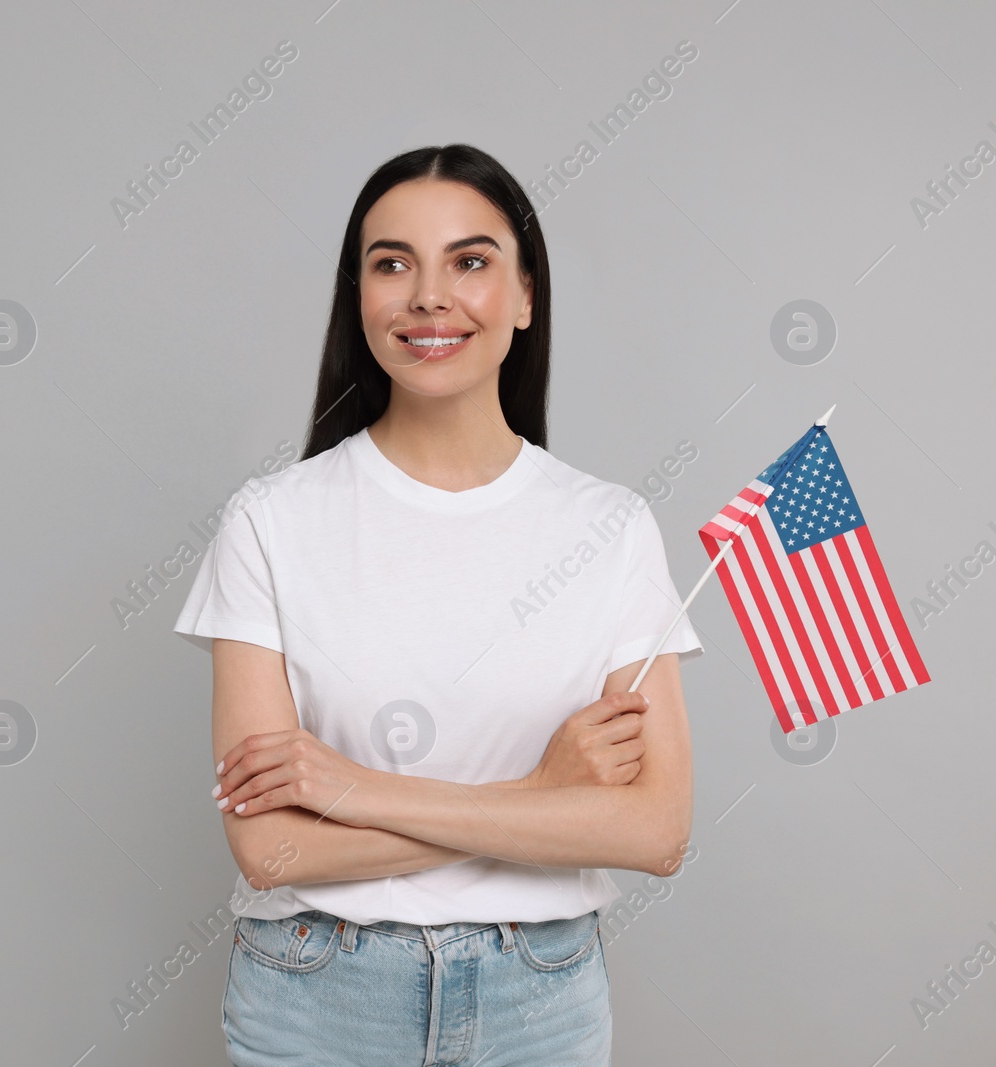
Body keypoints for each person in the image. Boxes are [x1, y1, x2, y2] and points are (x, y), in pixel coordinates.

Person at [172, 143, 702, 1066]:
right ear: (361, 297)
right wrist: (540, 796)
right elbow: (271, 853)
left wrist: (356, 793)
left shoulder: (610, 528)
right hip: (317, 999)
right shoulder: (271, 522)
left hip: (539, 1001)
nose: (428, 295)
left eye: (470, 260)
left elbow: (654, 831)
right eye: (392, 263)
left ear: (526, 295)